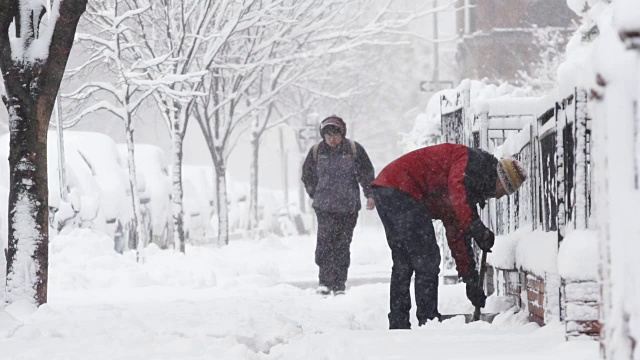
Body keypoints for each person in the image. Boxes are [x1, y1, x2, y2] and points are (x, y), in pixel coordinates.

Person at [370, 143, 526, 329]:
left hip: (387, 188)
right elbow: (457, 191)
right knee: (427, 258)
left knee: (403, 260)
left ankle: (399, 321)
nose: (500, 197)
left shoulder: (471, 186)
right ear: (501, 180)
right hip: (402, 188)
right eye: (504, 191)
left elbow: (456, 233)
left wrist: (470, 279)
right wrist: (477, 228)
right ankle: (428, 320)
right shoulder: (473, 162)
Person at [301, 115, 376, 296]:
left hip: (348, 207)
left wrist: (370, 195)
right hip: (324, 207)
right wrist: (315, 193)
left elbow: (367, 174)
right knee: (325, 244)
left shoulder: (354, 150)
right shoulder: (317, 152)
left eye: (335, 134)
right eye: (328, 135)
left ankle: (339, 283)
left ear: (342, 134)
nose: (332, 138)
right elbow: (307, 176)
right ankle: (324, 282)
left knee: (342, 245)